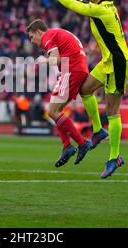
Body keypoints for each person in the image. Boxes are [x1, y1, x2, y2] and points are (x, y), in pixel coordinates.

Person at [40, 0, 128, 178]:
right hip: (107, 61)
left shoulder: (101, 10)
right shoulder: (104, 7)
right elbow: (79, 1)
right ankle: (99, 130)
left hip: (118, 63)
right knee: (85, 89)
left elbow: (74, 6)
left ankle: (114, 157)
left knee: (113, 111)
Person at [26, 19, 92, 168]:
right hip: (77, 68)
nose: (32, 41)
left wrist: (44, 61)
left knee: (53, 111)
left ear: (39, 32)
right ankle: (68, 146)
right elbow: (65, 56)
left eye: (31, 37)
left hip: (71, 70)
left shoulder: (48, 35)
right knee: (55, 111)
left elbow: (55, 59)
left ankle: (80, 143)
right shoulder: (57, 33)